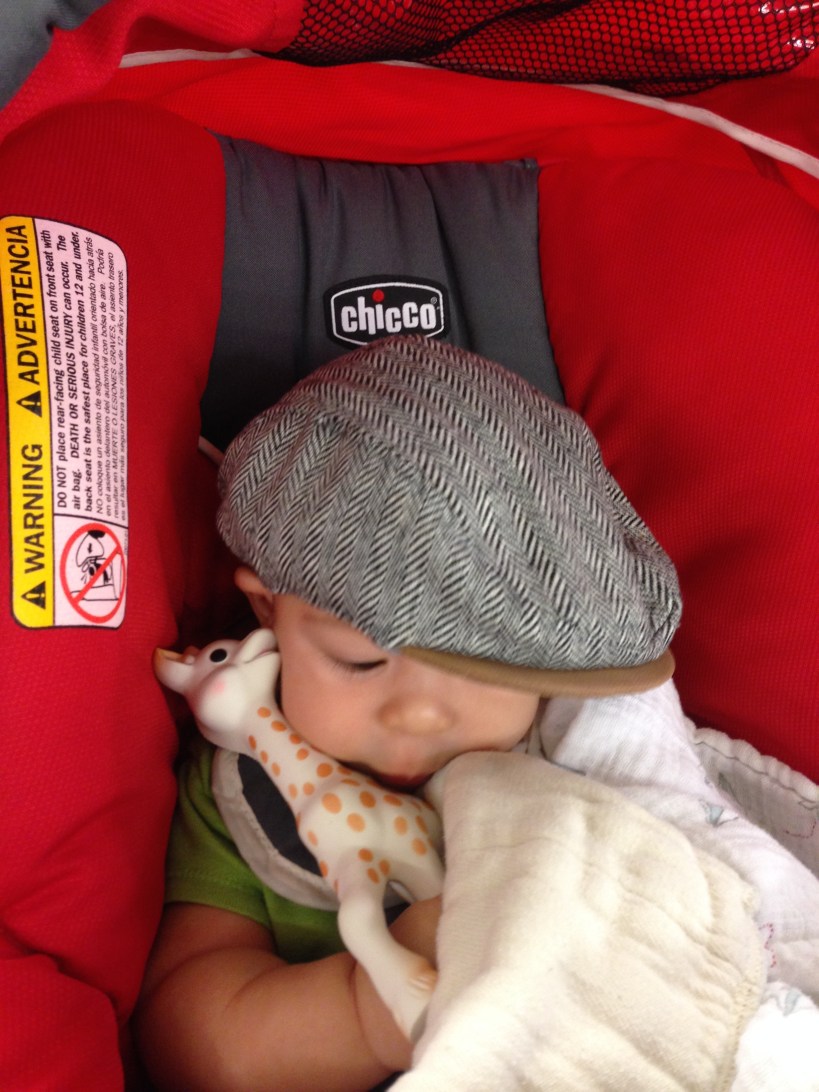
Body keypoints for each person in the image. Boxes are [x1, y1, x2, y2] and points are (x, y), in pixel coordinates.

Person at [136, 335, 682, 1091]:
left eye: (488, 672)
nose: (421, 714)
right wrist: (367, 1013)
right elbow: (185, 1037)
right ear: (268, 611)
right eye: (358, 661)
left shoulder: (575, 755)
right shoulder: (242, 790)